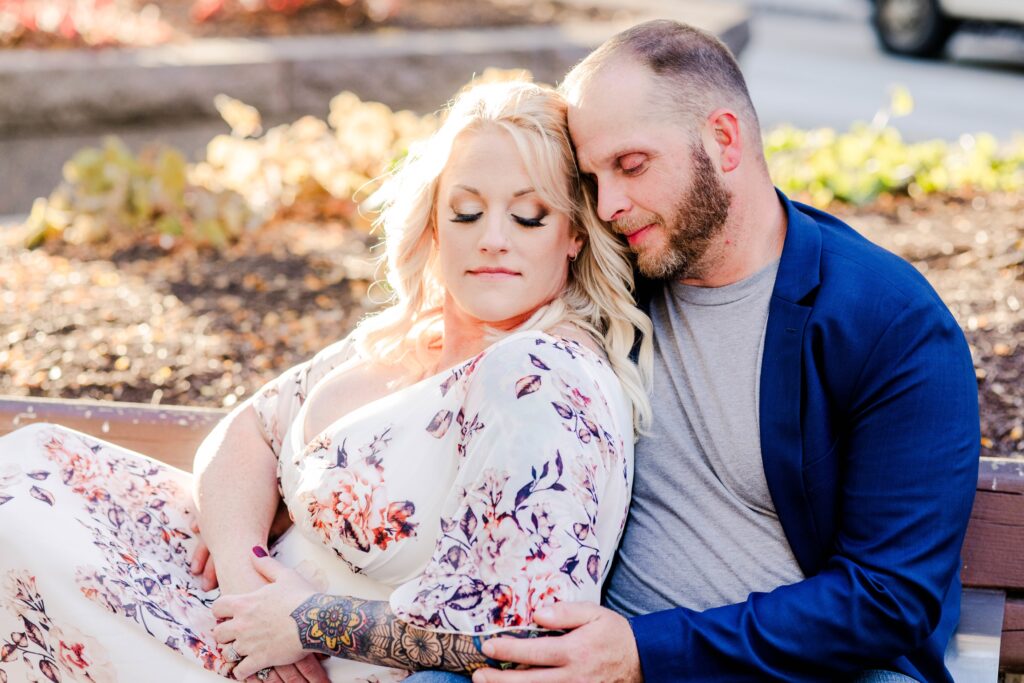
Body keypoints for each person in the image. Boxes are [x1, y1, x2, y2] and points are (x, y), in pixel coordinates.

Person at [0, 79, 653, 683]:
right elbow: (247, 431)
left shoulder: (542, 375)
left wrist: (305, 621)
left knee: (15, 532)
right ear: (433, 222)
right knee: (30, 465)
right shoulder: (408, 334)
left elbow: (514, 634)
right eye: (467, 212)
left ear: (573, 233)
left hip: (316, 661)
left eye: (528, 215)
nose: (492, 239)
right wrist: (240, 574)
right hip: (235, 609)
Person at [462, 20, 979, 683]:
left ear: (725, 140)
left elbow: (886, 597)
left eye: (632, 164)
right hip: (574, 657)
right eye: (593, 178)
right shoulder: (610, 281)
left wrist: (643, 653)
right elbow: (411, 354)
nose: (610, 205)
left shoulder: (889, 322)